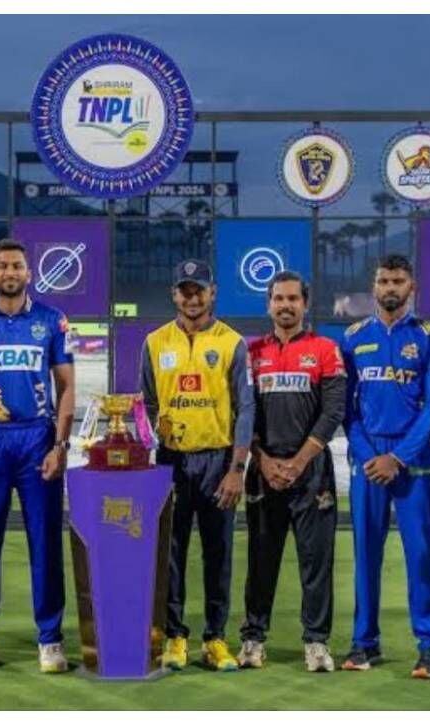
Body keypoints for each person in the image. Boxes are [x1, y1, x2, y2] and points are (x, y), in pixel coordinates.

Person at [0, 238, 76, 674]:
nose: (10, 272)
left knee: (45, 542)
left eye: (17, 266)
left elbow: (66, 387)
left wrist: (60, 446)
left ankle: (50, 639)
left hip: (37, 441)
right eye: (2, 265)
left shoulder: (51, 320)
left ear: (29, 274)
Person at [338, 255, 430, 679]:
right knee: (366, 554)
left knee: (422, 554)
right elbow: (346, 409)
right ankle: (364, 642)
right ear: (374, 287)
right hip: (368, 462)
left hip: (411, 460)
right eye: (383, 280)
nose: (390, 287)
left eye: (398, 281)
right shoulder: (353, 338)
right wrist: (369, 455)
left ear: (411, 287)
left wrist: (398, 457)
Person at [140, 259, 254, 672]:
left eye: (199, 290)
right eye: (185, 290)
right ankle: (175, 637)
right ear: (174, 294)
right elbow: (147, 403)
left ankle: (215, 638)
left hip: (218, 461)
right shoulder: (155, 342)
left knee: (218, 553)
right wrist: (153, 443)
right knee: (170, 552)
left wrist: (237, 469)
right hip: (171, 461)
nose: (192, 298)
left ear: (212, 293)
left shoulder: (232, 343)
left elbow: (246, 408)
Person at [238, 271, 344, 673]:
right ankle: (253, 638)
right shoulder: (252, 353)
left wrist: (298, 462)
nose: (285, 305)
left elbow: (333, 412)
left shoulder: (325, 349)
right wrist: (263, 459)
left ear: (305, 304)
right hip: (263, 470)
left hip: (311, 472)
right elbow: (245, 413)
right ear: (269, 304)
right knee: (260, 560)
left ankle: (316, 642)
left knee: (316, 561)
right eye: (278, 299)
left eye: (293, 299)